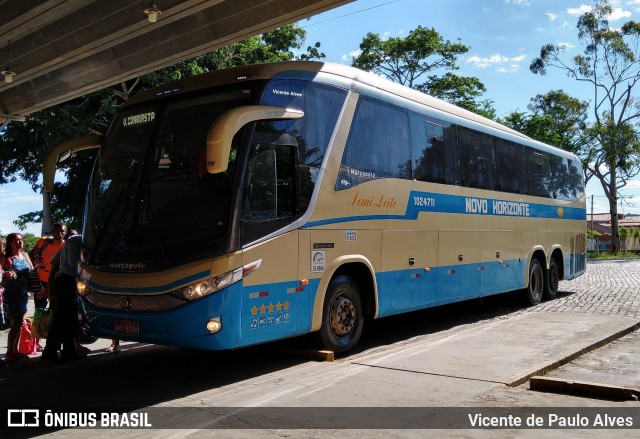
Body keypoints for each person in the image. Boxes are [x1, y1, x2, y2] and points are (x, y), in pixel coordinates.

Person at [41, 234, 83, 364]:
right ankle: (50, 353)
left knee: (69, 319)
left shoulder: (69, 242)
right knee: (63, 318)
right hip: (69, 281)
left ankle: (68, 351)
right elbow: (73, 264)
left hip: (64, 280)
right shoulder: (77, 240)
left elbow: (54, 264)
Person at [29, 222, 67, 351]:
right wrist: (34, 266)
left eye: (62, 231)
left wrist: (48, 288)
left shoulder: (65, 246)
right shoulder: (43, 242)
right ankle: (35, 343)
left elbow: (62, 269)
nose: (59, 233)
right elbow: (31, 255)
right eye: (56, 230)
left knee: (53, 313)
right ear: (52, 231)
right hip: (39, 282)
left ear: (65, 232)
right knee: (39, 312)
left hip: (55, 283)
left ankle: (51, 343)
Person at [1, 233, 34, 363]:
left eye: (21, 240)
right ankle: (10, 352)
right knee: (16, 323)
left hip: (23, 294)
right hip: (11, 294)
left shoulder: (24, 256)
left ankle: (15, 351)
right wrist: (6, 273)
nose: (19, 242)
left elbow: (30, 270)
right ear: (10, 242)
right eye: (16, 240)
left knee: (20, 323)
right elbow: (0, 273)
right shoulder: (6, 257)